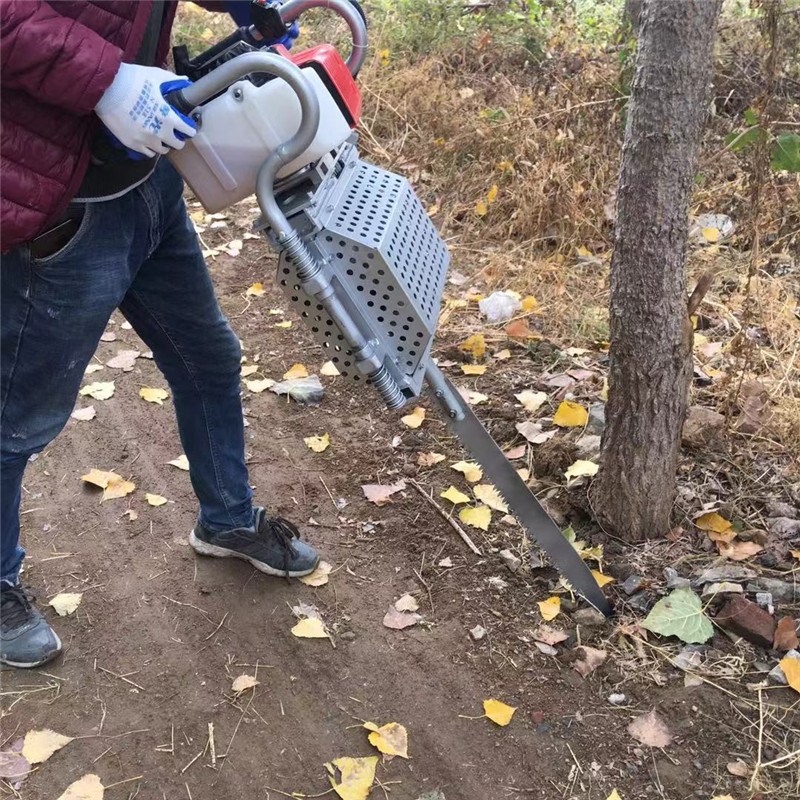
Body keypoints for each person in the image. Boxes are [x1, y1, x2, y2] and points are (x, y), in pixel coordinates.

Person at [0, 0, 319, 670]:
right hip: (62, 204)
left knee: (207, 358)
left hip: (146, 180)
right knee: (15, 422)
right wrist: (106, 81)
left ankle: (226, 519)